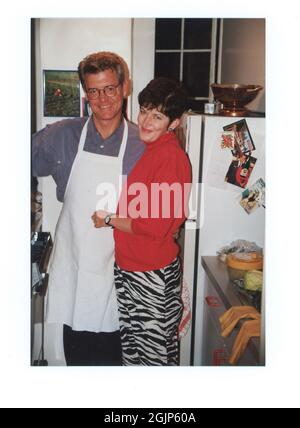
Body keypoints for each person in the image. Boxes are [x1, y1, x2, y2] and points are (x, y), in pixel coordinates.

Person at [32, 51, 145, 366]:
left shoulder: (145, 143)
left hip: (121, 278)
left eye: (110, 88)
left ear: (125, 87)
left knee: (115, 365)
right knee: (79, 363)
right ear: (85, 94)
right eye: (93, 91)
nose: (103, 99)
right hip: (76, 272)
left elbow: (166, 212)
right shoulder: (62, 135)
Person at [92, 77, 192, 365]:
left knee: (154, 361)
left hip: (151, 276)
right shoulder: (152, 151)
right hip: (132, 270)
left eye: (157, 116)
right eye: (144, 110)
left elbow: (154, 226)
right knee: (136, 357)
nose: (146, 121)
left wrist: (109, 218)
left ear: (174, 122)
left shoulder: (170, 158)